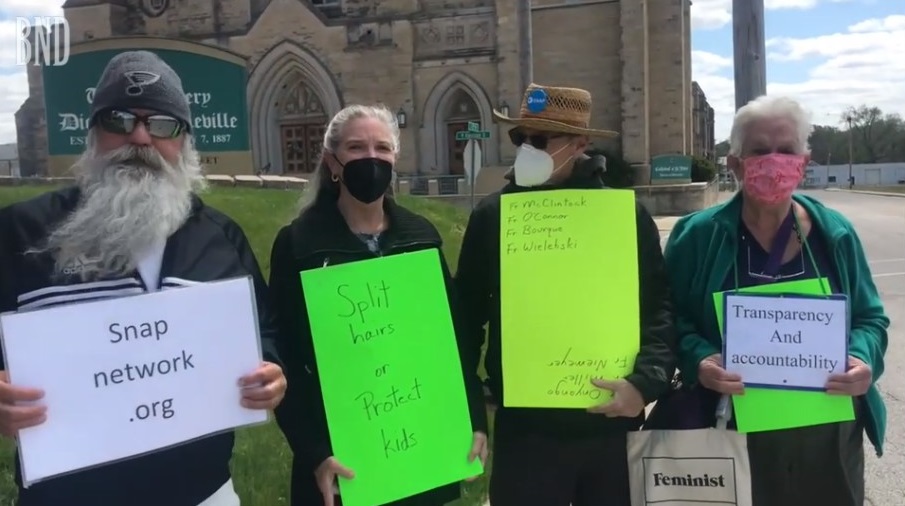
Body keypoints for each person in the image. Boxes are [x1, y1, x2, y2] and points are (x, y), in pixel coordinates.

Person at [0, 50, 287, 506]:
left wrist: (272, 370)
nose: (140, 137)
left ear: (184, 142)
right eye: (120, 120)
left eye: (162, 124)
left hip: (203, 493)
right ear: (94, 133)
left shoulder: (221, 236)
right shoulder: (20, 231)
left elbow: (266, 330)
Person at [454, 84, 676, 506]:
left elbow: (658, 309)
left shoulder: (624, 217)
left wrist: (644, 385)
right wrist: (468, 406)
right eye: (521, 139)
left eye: (541, 140)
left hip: (609, 423)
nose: (528, 149)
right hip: (526, 430)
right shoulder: (493, 216)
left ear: (580, 144)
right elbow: (466, 318)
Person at [663, 94, 889, 506]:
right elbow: (668, 321)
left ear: (804, 162)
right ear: (734, 163)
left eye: (786, 151)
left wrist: (861, 359)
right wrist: (700, 358)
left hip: (827, 440)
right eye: (759, 151)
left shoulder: (834, 233)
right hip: (728, 432)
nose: (774, 161)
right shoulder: (697, 236)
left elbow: (870, 319)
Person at [267, 104, 489, 506]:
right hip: (341, 460)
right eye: (356, 147)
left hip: (419, 452)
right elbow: (283, 354)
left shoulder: (420, 237)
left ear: (395, 159)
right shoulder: (298, 245)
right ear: (332, 161)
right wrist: (314, 451)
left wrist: (473, 420)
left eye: (382, 148)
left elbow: (453, 343)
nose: (371, 159)